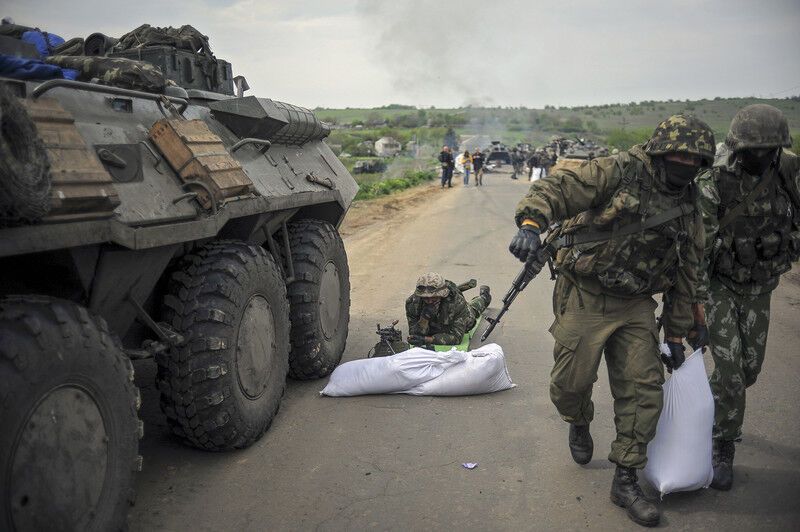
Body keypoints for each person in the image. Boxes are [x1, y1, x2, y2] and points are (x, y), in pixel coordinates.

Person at [510, 115, 714, 527]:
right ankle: (578, 418)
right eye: (677, 157)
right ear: (659, 152)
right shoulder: (619, 170)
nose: (684, 165)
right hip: (585, 292)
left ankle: (625, 479)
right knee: (569, 386)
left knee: (644, 391)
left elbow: (688, 270)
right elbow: (559, 188)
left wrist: (676, 330)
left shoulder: (691, 204)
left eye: (694, 161)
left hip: (637, 303)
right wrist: (532, 223)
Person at [694, 104, 800, 491]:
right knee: (731, 373)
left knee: (748, 371)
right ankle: (723, 446)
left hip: (762, 285)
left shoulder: (788, 170)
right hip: (720, 284)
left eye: (768, 150)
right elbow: (700, 245)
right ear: (738, 147)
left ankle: (714, 406)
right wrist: (695, 304)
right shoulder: (715, 176)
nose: (760, 157)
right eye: (753, 150)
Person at [406, 272, 491, 347]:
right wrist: (425, 318)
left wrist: (426, 340)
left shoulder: (456, 302)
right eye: (425, 298)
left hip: (454, 321)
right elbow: (414, 334)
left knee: (473, 310)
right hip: (436, 326)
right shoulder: (412, 303)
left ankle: (484, 296)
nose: (429, 301)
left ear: (442, 295)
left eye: (434, 298)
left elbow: (456, 337)